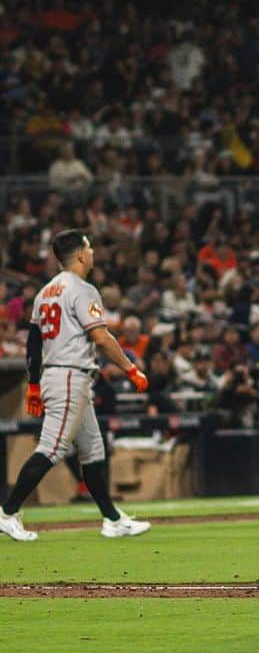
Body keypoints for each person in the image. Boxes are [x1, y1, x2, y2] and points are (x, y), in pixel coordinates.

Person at [0, 230, 151, 543]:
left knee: (93, 449)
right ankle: (7, 512)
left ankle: (112, 519)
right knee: (52, 449)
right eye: (89, 247)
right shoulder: (82, 289)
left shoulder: (45, 292)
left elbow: (33, 343)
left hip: (62, 375)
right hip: (70, 374)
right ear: (81, 254)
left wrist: (33, 385)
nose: (93, 252)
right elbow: (101, 337)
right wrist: (130, 368)